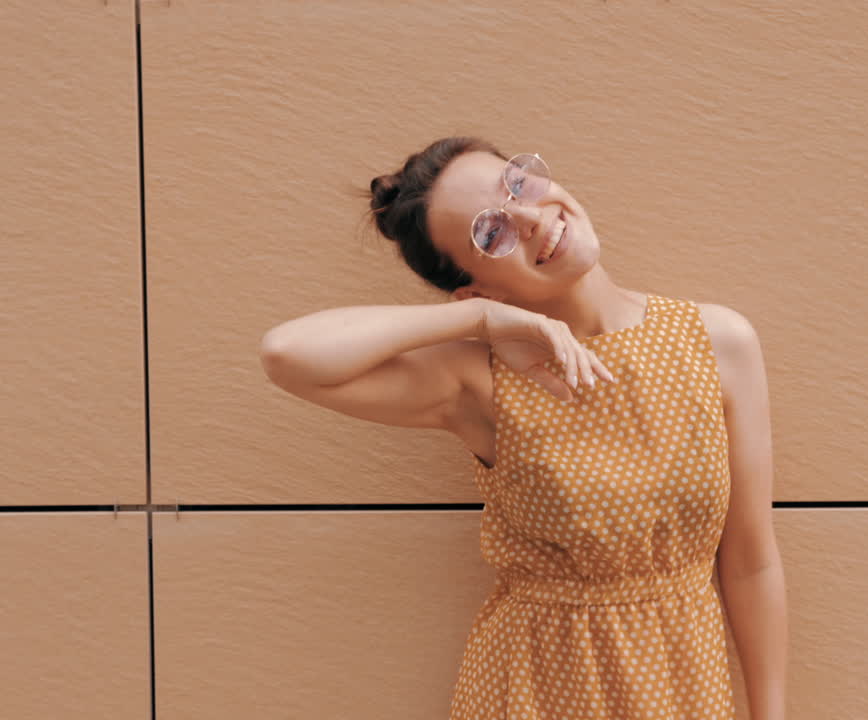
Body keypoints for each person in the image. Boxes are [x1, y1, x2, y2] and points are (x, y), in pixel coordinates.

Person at [258, 136, 788, 719]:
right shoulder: (479, 379)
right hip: (534, 692)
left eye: (519, 185)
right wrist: (478, 320)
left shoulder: (716, 342)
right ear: (477, 285)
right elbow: (287, 355)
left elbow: (750, 561)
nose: (533, 218)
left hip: (684, 688)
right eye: (491, 234)